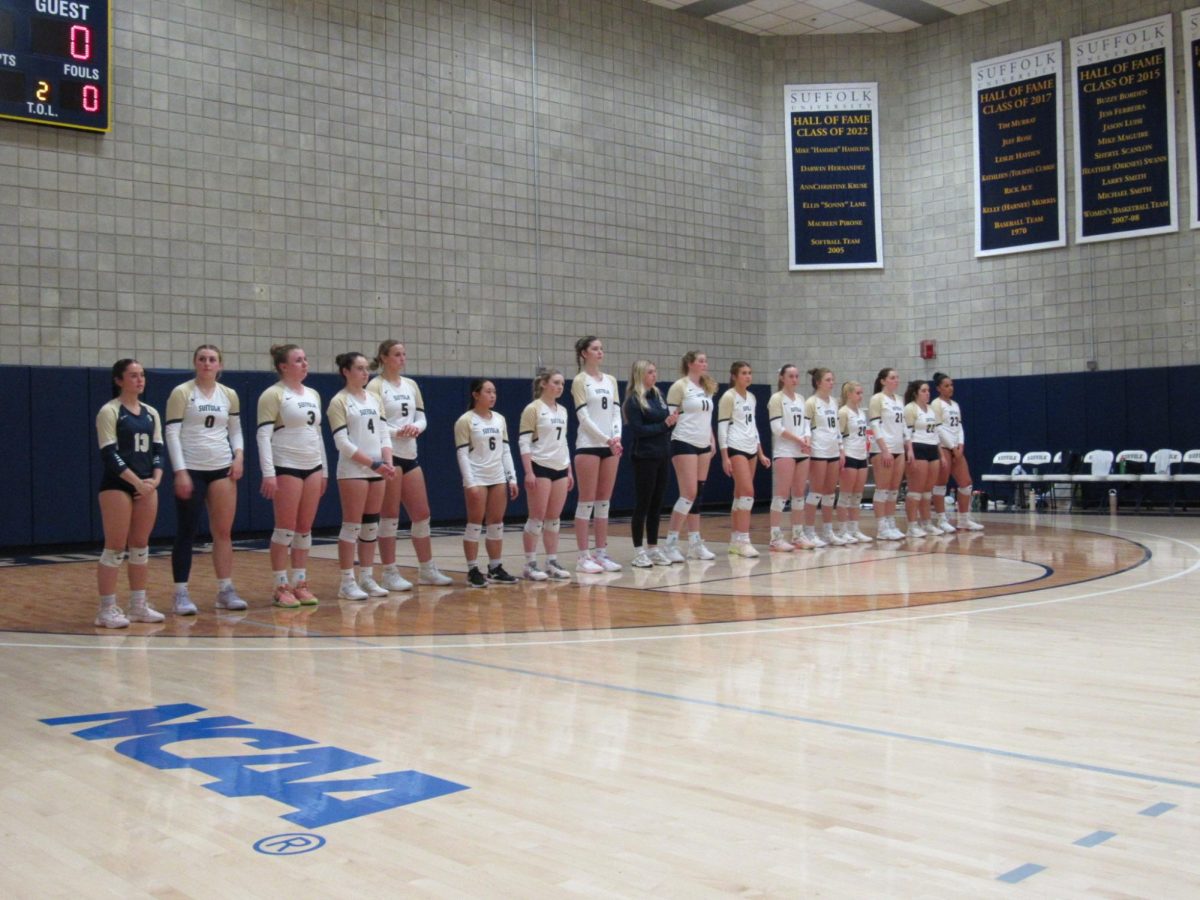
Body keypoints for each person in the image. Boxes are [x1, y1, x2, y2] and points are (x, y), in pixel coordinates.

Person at [164, 345, 247, 615]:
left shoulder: (229, 395)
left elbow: (235, 429)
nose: (207, 363)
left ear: (219, 365)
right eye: (202, 359)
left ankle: (225, 589)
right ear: (195, 363)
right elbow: (172, 433)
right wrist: (180, 471)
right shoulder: (183, 392)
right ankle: (180, 593)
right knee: (187, 531)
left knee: (223, 532)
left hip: (222, 467)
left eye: (212, 360)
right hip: (192, 468)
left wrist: (238, 457)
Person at [367, 340, 453, 588]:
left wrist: (415, 427)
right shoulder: (376, 386)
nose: (402, 358)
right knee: (390, 515)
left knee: (422, 513)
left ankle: (426, 569)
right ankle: (389, 572)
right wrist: (397, 432)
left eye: (404, 354)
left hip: (410, 453)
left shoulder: (411, 385)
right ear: (383, 357)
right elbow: (375, 422)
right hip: (389, 453)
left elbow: (422, 417)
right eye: (397, 354)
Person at [94, 359, 166, 628]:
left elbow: (158, 451)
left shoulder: (151, 413)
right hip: (118, 486)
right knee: (114, 548)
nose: (139, 380)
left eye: (142, 375)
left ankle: (138, 605)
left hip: (147, 485)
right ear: (118, 380)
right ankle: (106, 609)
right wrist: (137, 483)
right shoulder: (110, 411)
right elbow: (109, 454)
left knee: (140, 547)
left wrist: (154, 481)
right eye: (133, 376)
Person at [257, 344, 327, 608]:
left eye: (305, 359)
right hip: (286, 463)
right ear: (283, 366)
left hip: (313, 465)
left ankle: (300, 582)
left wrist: (324, 471)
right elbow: (263, 435)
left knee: (304, 528)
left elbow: (317, 434)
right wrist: (269, 473)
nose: (305, 364)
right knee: (285, 528)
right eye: (298, 360)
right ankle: (280, 585)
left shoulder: (313, 394)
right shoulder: (273, 395)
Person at [328, 351, 394, 601]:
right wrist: (373, 464)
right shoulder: (339, 401)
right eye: (359, 368)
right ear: (346, 371)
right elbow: (342, 443)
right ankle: (347, 581)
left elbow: (384, 433)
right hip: (353, 471)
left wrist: (387, 462)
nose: (366, 373)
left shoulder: (375, 398)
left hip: (378, 469)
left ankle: (367, 577)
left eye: (367, 368)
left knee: (370, 525)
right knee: (352, 525)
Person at [454, 379, 520, 588]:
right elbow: (462, 455)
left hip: (497, 476)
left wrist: (512, 478)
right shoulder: (465, 421)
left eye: (494, 392)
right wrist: (470, 483)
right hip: (477, 477)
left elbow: (506, 450)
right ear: (476, 394)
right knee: (474, 524)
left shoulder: (499, 419)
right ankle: (473, 569)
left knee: (496, 523)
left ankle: (495, 567)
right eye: (488, 392)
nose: (493, 395)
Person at [571, 336, 623, 573]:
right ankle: (583, 556)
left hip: (610, 446)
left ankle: (601, 553)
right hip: (589, 445)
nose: (600, 352)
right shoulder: (580, 381)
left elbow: (615, 413)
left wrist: (617, 437)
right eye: (595, 349)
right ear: (584, 353)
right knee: (587, 501)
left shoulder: (610, 380)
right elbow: (584, 417)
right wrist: (606, 439)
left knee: (604, 503)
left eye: (601, 348)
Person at [518, 368, 574, 581]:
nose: (560, 387)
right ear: (543, 384)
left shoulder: (563, 411)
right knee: (537, 517)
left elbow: (564, 441)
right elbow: (523, 442)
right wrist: (528, 471)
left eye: (562, 384)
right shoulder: (533, 409)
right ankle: (530, 564)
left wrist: (568, 468)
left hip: (560, 467)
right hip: (539, 466)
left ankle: (551, 561)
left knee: (554, 518)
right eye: (556, 383)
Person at [664, 350, 718, 562]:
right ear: (690, 364)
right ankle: (670, 543)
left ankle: (695, 543)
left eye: (706, 360)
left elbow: (708, 417)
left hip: (703, 442)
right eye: (701, 361)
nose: (705, 364)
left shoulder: (707, 387)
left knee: (698, 494)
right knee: (688, 493)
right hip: (683, 441)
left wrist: (712, 440)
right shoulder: (680, 386)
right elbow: (670, 417)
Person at [623, 360, 677, 567]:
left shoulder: (658, 395)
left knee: (657, 504)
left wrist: (670, 424)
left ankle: (653, 548)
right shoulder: (634, 402)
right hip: (644, 456)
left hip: (663, 454)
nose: (655, 375)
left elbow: (663, 425)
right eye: (650, 372)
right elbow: (639, 431)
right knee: (643, 504)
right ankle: (639, 550)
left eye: (655, 371)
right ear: (640, 375)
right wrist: (664, 425)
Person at [718, 361, 770, 557]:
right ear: (734, 376)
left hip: (750, 447)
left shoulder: (752, 397)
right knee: (748, 492)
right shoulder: (728, 397)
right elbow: (722, 427)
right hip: (735, 446)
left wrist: (760, 452)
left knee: (740, 494)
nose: (748, 376)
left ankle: (735, 540)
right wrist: (725, 456)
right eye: (744, 373)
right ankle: (744, 539)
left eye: (750, 373)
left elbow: (753, 426)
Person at [766, 364, 814, 551]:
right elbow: (777, 428)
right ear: (782, 378)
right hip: (785, 451)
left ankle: (797, 534)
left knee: (799, 494)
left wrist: (807, 439)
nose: (795, 379)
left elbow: (806, 424)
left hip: (801, 451)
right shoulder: (776, 399)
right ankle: (775, 537)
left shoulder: (801, 399)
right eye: (791, 376)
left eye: (796, 376)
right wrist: (799, 439)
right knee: (781, 494)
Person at [931, 372, 984, 531]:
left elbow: (959, 426)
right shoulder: (936, 404)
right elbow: (939, 428)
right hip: (944, 447)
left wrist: (960, 445)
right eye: (946, 386)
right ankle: (941, 519)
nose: (950, 388)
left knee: (966, 483)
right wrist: (952, 447)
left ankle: (963, 519)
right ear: (939, 388)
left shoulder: (955, 405)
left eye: (951, 385)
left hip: (956, 448)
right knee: (941, 484)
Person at [802, 367, 846, 546]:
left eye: (832, 379)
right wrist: (808, 446)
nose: (832, 382)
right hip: (818, 451)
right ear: (818, 382)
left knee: (829, 494)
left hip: (833, 450)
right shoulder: (811, 402)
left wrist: (841, 449)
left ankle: (828, 531)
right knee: (816, 492)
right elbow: (805, 427)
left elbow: (836, 428)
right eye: (828, 380)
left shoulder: (834, 402)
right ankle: (809, 531)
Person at [868, 368, 907, 541]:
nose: (896, 380)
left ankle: (891, 523)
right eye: (892, 378)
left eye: (897, 377)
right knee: (882, 489)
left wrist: (908, 446)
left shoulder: (899, 400)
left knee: (893, 490)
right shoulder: (877, 399)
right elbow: (875, 425)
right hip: (883, 449)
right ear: (883, 381)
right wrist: (884, 449)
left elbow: (903, 425)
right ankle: (882, 527)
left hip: (899, 448)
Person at [903, 379, 941, 537]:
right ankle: (912, 526)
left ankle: (927, 523)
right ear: (916, 393)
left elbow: (936, 433)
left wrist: (941, 454)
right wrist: (909, 451)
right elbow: (907, 434)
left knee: (927, 491)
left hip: (933, 448)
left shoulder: (932, 409)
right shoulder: (910, 408)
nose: (927, 393)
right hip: (918, 447)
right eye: (924, 391)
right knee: (916, 490)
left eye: (928, 390)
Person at [836, 381, 872, 543]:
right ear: (849, 394)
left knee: (857, 496)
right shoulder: (843, 412)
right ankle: (842, 530)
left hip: (861, 456)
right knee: (845, 496)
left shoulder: (861, 413)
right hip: (849, 455)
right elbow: (838, 435)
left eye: (861, 393)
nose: (860, 396)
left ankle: (854, 529)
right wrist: (841, 453)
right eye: (857, 393)